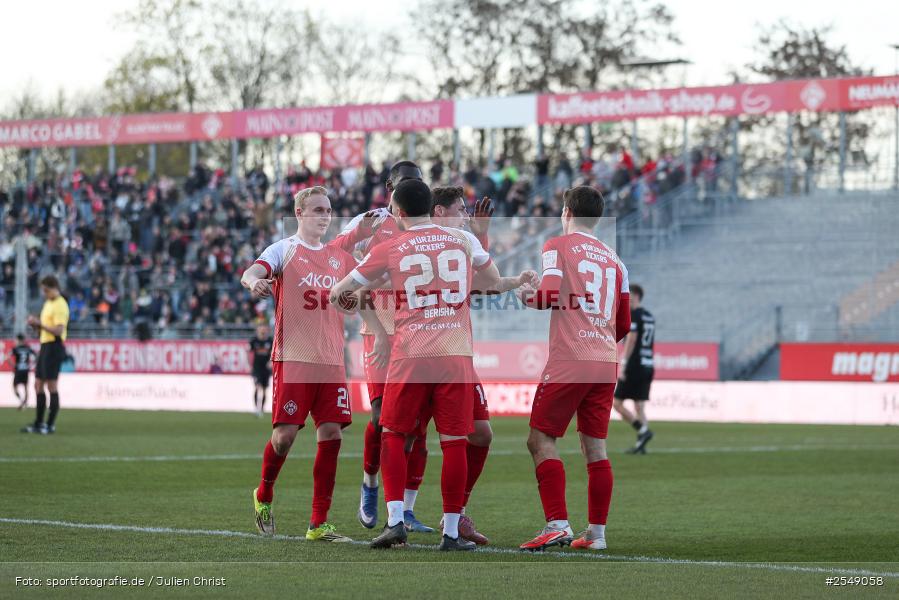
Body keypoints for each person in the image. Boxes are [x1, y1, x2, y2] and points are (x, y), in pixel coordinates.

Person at [330, 178, 502, 551]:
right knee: (455, 440)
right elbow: (491, 281)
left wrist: (344, 297)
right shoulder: (462, 240)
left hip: (411, 355)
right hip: (455, 354)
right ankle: (452, 532)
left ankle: (394, 523)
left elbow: (340, 289)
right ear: (432, 207)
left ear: (398, 211)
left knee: (393, 435)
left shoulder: (392, 246)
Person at [517, 186, 631, 552]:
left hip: (570, 360)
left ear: (566, 212)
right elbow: (624, 324)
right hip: (604, 362)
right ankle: (596, 535)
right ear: (595, 218)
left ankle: (557, 524)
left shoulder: (557, 246)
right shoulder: (616, 261)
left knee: (540, 439)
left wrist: (527, 296)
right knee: (595, 448)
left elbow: (549, 294)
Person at [241, 186, 356, 543]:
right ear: (300, 213)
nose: (325, 216)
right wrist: (255, 282)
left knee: (332, 434)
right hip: (293, 357)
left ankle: (319, 523)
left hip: (331, 359)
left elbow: (356, 295)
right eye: (318, 209)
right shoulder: (284, 249)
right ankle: (264, 493)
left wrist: (354, 302)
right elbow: (251, 272)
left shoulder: (339, 258)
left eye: (329, 210)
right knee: (284, 437)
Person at [429, 185, 538, 545]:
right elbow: (482, 282)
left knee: (481, 433)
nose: (465, 213)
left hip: (456, 352)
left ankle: (455, 515)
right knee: (406, 437)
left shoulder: (461, 239)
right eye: (459, 208)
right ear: (439, 211)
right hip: (420, 353)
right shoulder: (422, 240)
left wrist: (480, 236)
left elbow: (478, 284)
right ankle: (398, 515)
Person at [336, 160, 436, 534]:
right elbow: (335, 254)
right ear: (389, 188)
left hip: (422, 335)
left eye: (415, 182)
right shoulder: (371, 221)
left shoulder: (431, 223)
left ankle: (406, 509)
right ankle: (370, 482)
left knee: (417, 427)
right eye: (403, 183)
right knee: (381, 418)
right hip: (379, 332)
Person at [21, 276, 70, 435]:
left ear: (54, 287)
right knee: (38, 384)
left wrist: (41, 324)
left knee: (51, 385)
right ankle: (39, 423)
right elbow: (45, 328)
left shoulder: (60, 304)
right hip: (45, 345)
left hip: (54, 346)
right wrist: (36, 325)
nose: (44, 293)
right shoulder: (48, 303)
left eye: (46, 290)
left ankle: (50, 425)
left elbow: (59, 330)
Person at [613, 284, 655, 454]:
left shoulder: (635, 315)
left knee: (616, 403)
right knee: (639, 406)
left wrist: (623, 363)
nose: (626, 299)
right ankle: (641, 445)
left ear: (636, 295)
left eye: (629, 295)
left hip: (635, 365)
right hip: (648, 364)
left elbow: (632, 338)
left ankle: (643, 431)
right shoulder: (649, 316)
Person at [249, 324, 274, 416]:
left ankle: (262, 409)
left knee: (264, 389)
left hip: (266, 369)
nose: (263, 331)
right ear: (258, 330)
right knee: (257, 386)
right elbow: (248, 352)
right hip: (256, 368)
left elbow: (274, 352)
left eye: (264, 329)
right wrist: (249, 365)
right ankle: (256, 408)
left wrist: (271, 361)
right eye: (261, 329)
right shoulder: (254, 341)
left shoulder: (270, 341)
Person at [9, 333, 36, 410]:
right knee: (25, 387)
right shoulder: (28, 348)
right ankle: (25, 403)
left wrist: (13, 365)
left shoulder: (15, 348)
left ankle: (22, 401)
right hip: (26, 370)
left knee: (14, 387)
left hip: (18, 370)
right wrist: (31, 366)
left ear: (18, 340)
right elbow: (36, 357)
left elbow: (8, 356)